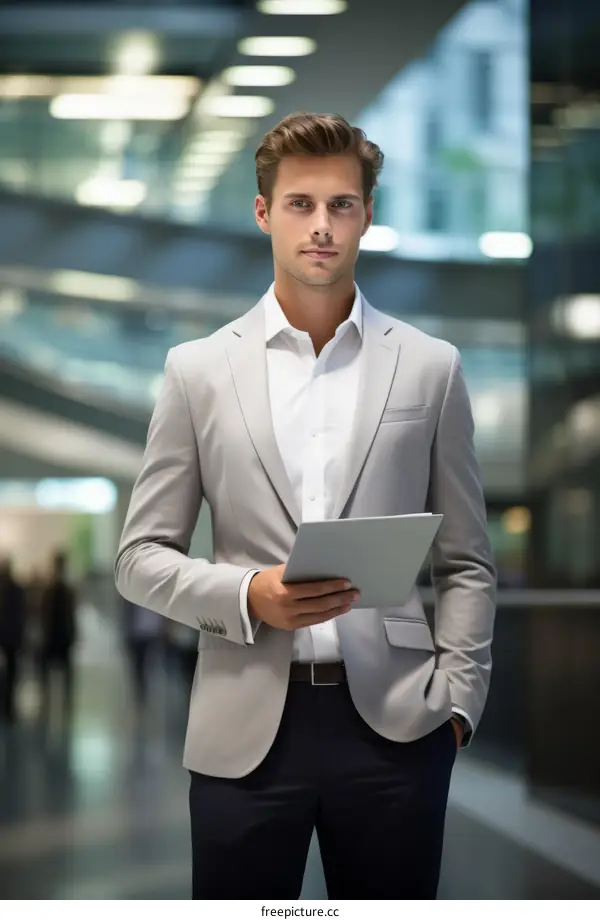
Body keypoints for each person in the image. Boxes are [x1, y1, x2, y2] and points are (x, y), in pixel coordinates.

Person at [116, 112, 497, 900]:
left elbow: (466, 561)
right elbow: (138, 558)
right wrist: (246, 593)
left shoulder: (430, 367)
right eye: (300, 204)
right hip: (243, 727)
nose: (322, 225)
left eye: (341, 205)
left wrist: (458, 701)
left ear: (366, 215)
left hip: (399, 728)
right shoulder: (197, 371)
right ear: (264, 213)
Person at [39, 551, 77, 716]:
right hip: (58, 635)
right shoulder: (62, 590)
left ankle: (54, 699)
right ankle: (57, 699)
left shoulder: (57, 590)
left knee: (58, 670)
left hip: (58, 635)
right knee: (60, 669)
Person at [0, 559, 26, 722]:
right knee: (10, 673)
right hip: (12, 638)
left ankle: (6, 706)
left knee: (8, 674)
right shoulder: (17, 590)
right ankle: (8, 708)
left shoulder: (9, 590)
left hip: (8, 637)